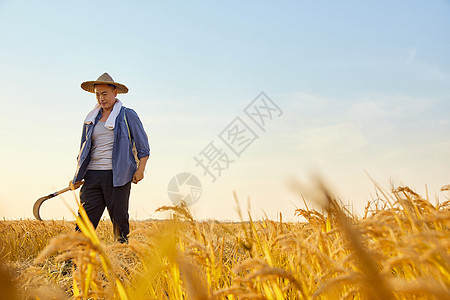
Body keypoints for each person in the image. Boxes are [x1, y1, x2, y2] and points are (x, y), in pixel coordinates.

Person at [71, 72, 150, 243]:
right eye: (97, 94)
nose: (101, 98)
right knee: (83, 224)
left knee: (119, 224)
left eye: (104, 94)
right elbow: (82, 150)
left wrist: (141, 169)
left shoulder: (127, 115)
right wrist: (77, 176)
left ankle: (121, 264)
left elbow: (143, 146)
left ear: (115, 93)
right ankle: (70, 267)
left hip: (118, 176)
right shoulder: (90, 119)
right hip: (92, 177)